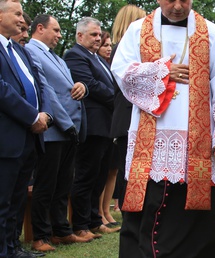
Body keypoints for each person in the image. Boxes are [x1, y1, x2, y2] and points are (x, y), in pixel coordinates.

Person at [111, 0, 215, 256]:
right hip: (152, 136)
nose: (178, 6)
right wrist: (161, 72)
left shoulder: (211, 32)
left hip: (199, 136)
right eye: (171, 0)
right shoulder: (138, 30)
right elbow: (121, 71)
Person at [25, 14, 91, 253]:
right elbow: (47, 92)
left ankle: (61, 230)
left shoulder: (57, 57)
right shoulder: (32, 51)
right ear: (40, 28)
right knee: (46, 185)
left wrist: (81, 87)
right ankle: (40, 235)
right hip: (54, 128)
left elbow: (68, 86)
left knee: (64, 183)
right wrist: (64, 123)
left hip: (69, 129)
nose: (60, 35)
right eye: (56, 30)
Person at [0, 0, 53, 257]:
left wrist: (44, 115)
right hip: (6, 137)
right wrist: (32, 116)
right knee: (3, 199)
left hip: (28, 138)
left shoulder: (18, 50)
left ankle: (13, 247)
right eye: (18, 14)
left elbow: (36, 84)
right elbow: (2, 90)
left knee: (18, 198)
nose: (23, 20)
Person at [63, 17, 119, 240]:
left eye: (99, 35)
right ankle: (80, 225)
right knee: (86, 175)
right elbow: (91, 85)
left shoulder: (98, 59)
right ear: (80, 36)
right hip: (92, 125)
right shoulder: (75, 55)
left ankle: (94, 220)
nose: (98, 38)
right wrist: (118, 99)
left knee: (99, 175)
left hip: (106, 125)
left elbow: (110, 83)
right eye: (93, 35)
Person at [109, 4, 146, 213]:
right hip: (126, 117)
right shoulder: (123, 50)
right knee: (128, 171)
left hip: (127, 116)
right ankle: (127, 210)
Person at [96, 30, 119, 227]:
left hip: (113, 122)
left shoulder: (112, 66)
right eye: (105, 45)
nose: (109, 48)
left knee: (112, 170)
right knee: (100, 171)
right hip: (101, 122)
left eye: (110, 45)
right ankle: (99, 212)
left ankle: (105, 209)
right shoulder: (96, 64)